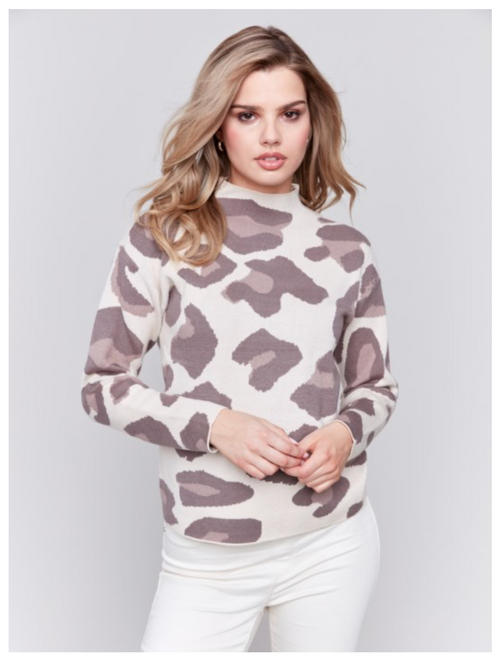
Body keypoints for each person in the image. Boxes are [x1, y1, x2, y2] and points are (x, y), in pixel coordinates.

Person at [80, 25, 399, 652]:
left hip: (332, 542)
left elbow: (376, 388)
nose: (271, 135)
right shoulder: (162, 238)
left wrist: (344, 433)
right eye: (247, 115)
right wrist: (217, 426)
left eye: (290, 114)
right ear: (218, 125)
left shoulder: (347, 250)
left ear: (313, 123)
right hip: (209, 555)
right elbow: (101, 387)